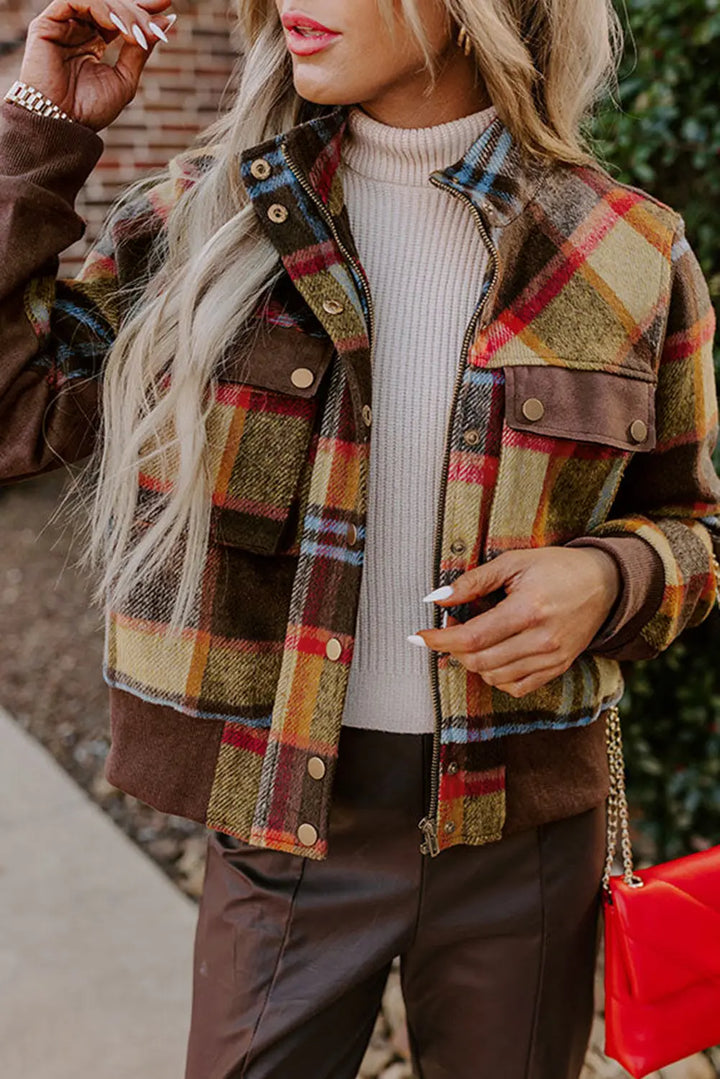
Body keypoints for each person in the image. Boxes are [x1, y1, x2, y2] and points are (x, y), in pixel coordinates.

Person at [1, 1, 719, 1076]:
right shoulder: (199, 222)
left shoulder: (627, 249)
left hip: (521, 832)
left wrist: (606, 576)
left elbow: (694, 526)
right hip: (284, 815)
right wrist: (37, 121)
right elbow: (13, 413)